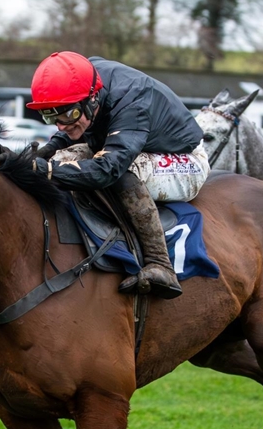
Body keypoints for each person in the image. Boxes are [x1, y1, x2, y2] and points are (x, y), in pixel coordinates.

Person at [23, 51, 210, 298]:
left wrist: (45, 170)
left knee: (123, 172)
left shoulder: (132, 101)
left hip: (184, 158)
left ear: (92, 99)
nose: (61, 124)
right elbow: (69, 126)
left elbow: (108, 170)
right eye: (51, 116)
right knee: (60, 161)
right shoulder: (85, 82)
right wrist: (47, 152)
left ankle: (160, 263)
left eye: (69, 115)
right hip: (132, 143)